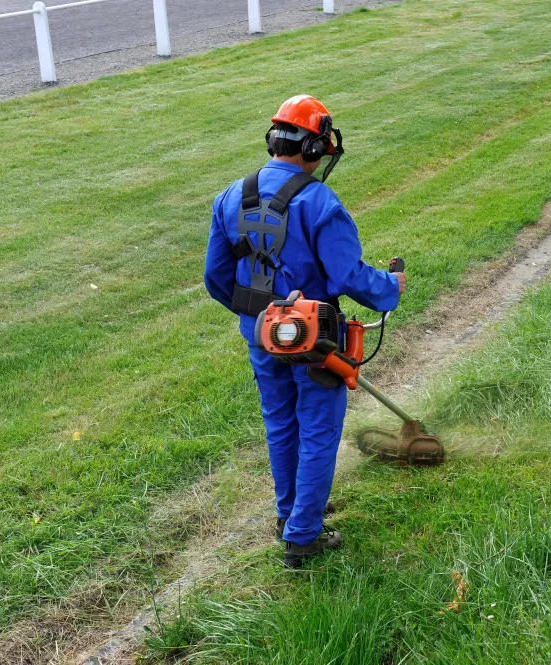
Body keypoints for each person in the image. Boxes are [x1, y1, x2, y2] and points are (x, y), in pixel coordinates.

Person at [204, 95, 406, 568]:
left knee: (281, 423)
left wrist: (260, 316)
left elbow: (216, 277)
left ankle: (290, 513)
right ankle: (302, 537)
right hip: (314, 341)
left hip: (262, 335)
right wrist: (390, 287)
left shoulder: (231, 196)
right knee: (317, 429)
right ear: (314, 149)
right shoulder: (319, 202)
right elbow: (348, 276)